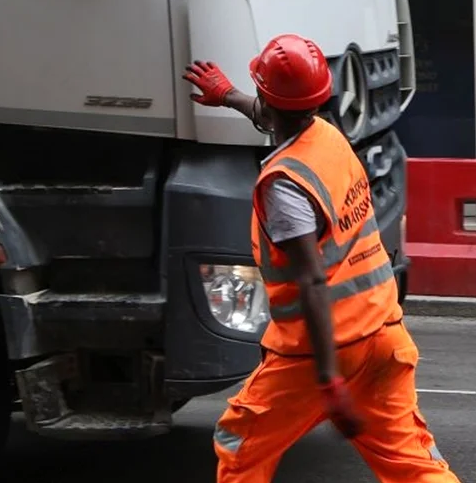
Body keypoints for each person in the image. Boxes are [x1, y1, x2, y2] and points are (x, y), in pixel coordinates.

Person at [183, 33, 461, 483]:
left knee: (240, 443)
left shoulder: (284, 184)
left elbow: (311, 281)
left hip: (322, 353)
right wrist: (228, 95)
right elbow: (276, 114)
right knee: (411, 465)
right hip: (384, 332)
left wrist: (329, 381)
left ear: (267, 101)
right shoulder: (327, 137)